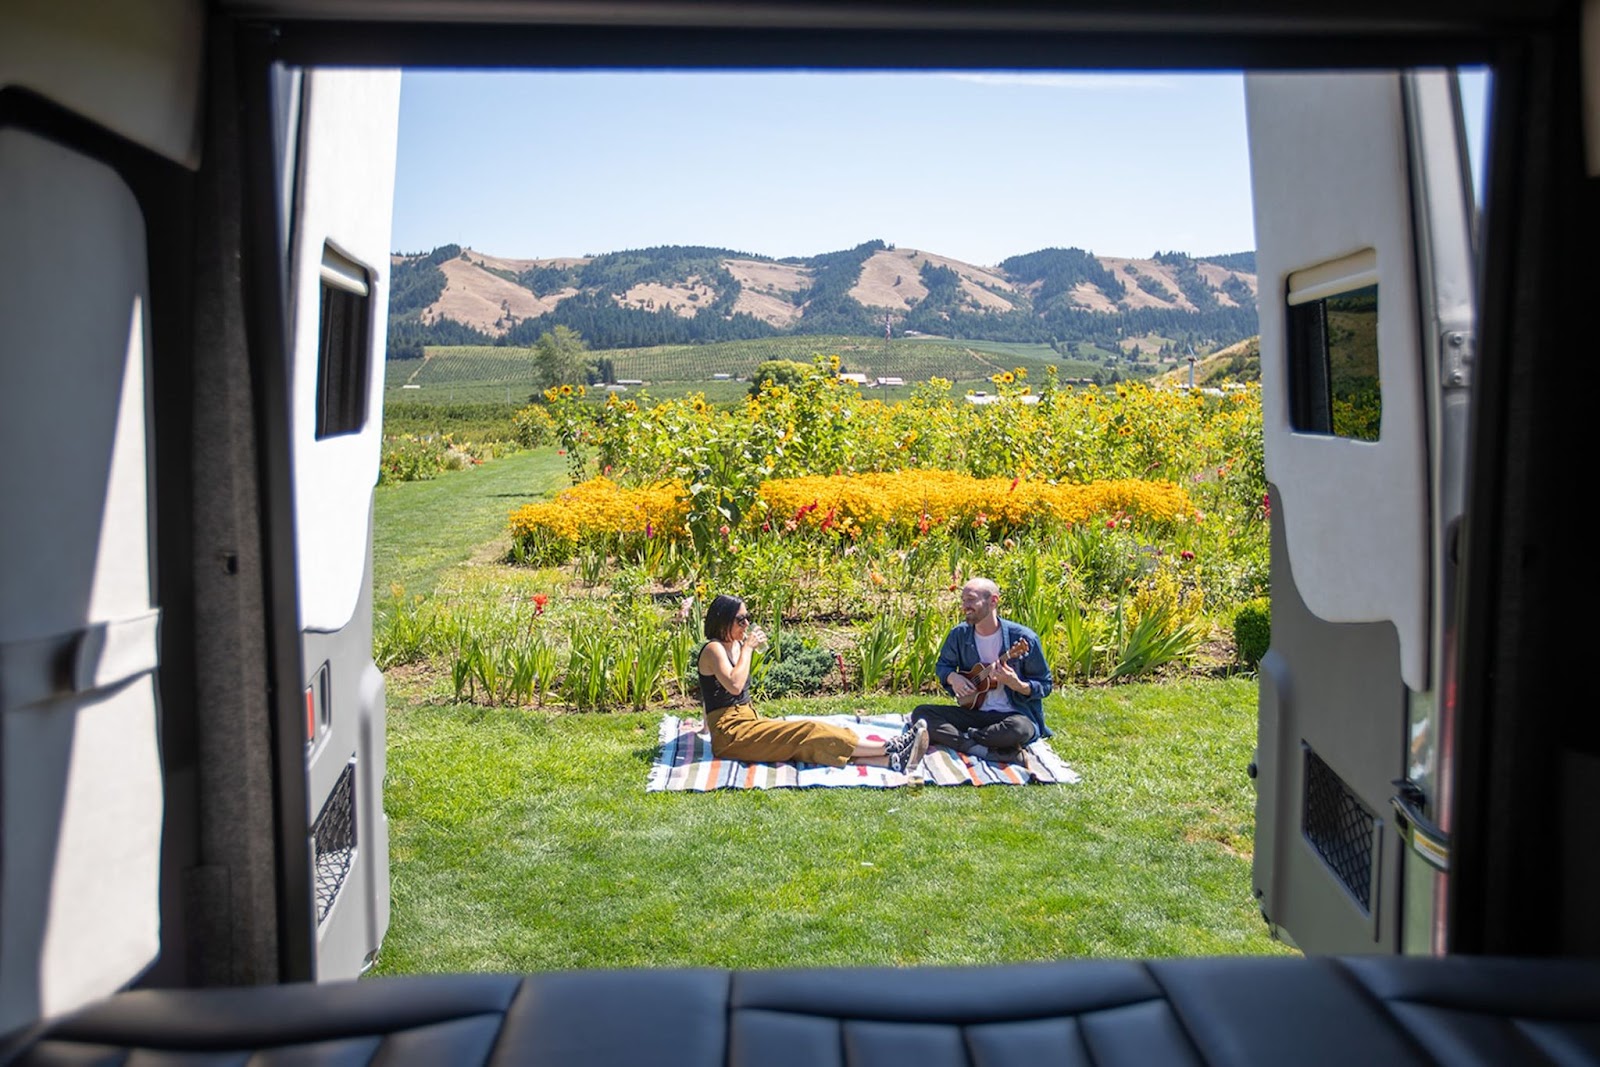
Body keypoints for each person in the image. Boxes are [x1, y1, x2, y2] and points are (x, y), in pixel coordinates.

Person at [697, 594, 928, 772]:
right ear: (724, 620)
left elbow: (709, 693)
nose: (747, 624)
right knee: (807, 729)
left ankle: (891, 761)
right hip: (731, 736)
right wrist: (748, 648)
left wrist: (705, 726)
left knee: (804, 744)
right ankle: (890, 746)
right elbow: (734, 686)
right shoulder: (714, 649)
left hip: (745, 722)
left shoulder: (735, 645)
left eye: (748, 618)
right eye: (740, 619)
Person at [911, 577, 1053, 763]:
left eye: (971, 599)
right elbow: (943, 666)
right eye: (963, 600)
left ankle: (965, 739)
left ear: (993, 601)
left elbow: (1045, 685)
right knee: (921, 714)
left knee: (1018, 730)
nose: (965, 606)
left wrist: (1017, 684)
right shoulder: (959, 635)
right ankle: (982, 748)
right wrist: (954, 678)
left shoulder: (1023, 639)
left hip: (1013, 715)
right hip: (975, 713)